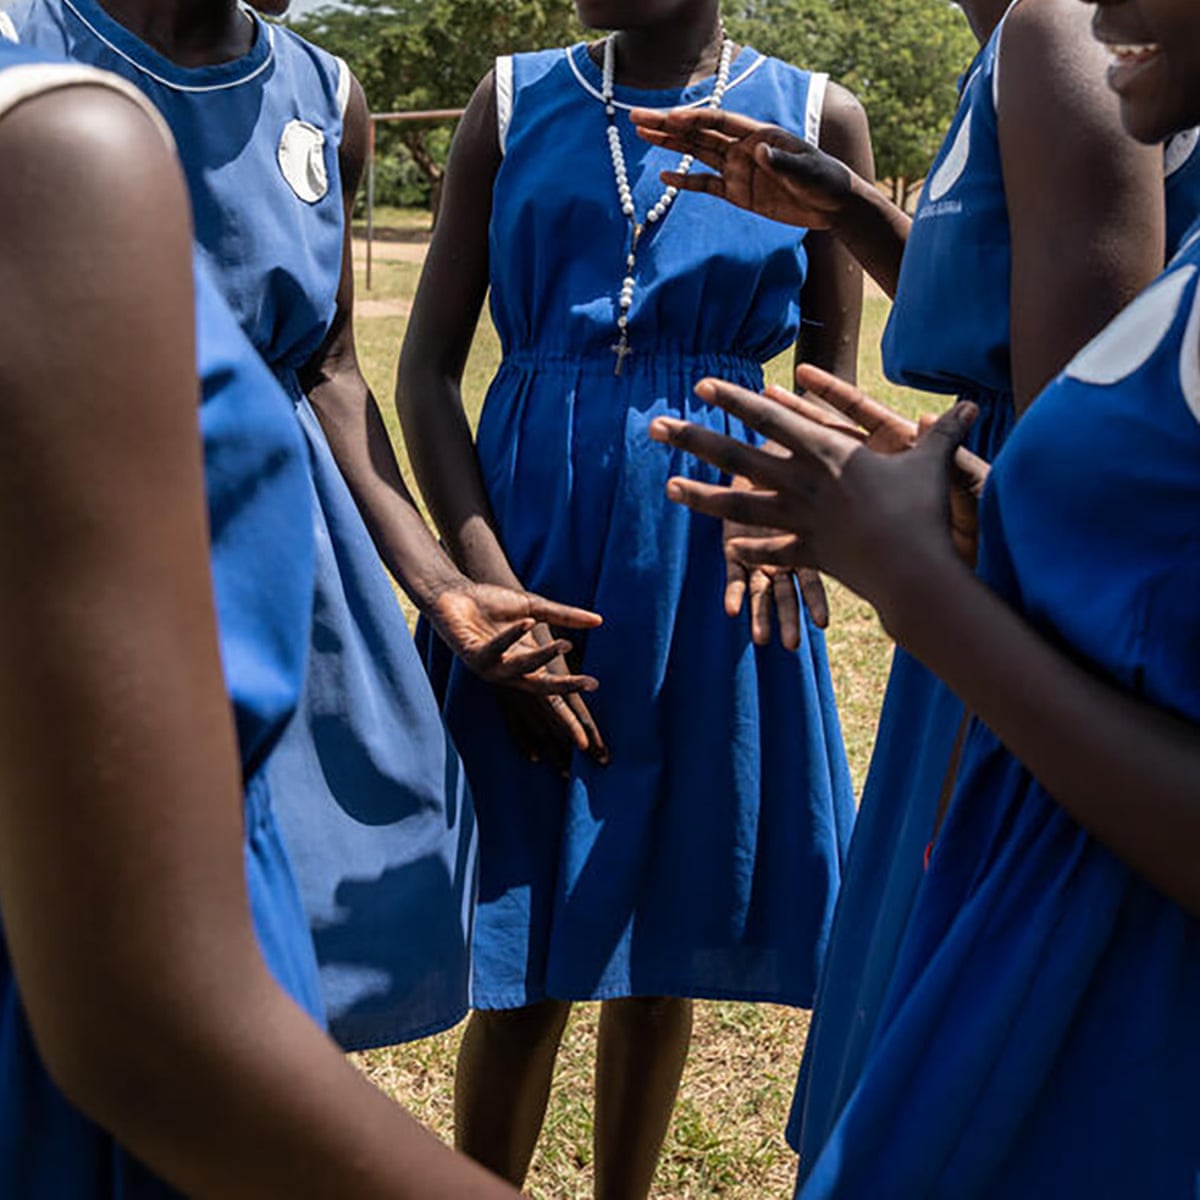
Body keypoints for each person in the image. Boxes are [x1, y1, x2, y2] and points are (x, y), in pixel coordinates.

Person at [650, 0, 1200, 1189]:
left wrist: (921, 570)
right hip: (995, 585)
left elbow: (1077, 480)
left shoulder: (1059, 32)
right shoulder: (1018, 42)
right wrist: (852, 212)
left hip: (1033, 637)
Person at [11, 0, 602, 1053]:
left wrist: (440, 583)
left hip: (277, 565)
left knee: (283, 942)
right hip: (66, 540)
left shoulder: (327, 96)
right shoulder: (22, 44)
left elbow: (327, 368)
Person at [397, 1, 871, 1194]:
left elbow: (826, 383)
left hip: (708, 567)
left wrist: (798, 523)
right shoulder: (511, 102)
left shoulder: (817, 118)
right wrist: (487, 587)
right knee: (523, 959)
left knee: (657, 942)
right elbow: (424, 371)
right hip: (531, 553)